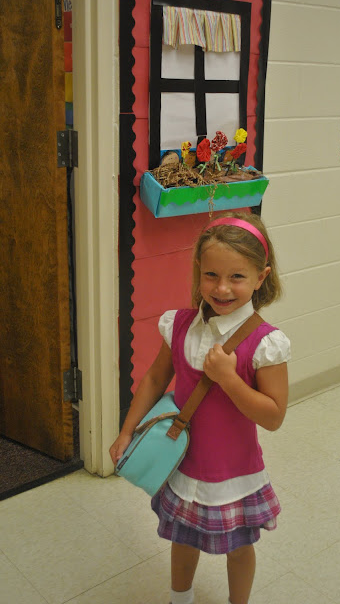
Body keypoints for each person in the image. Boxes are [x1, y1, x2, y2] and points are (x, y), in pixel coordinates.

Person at [110, 212, 290, 604]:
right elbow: (154, 380)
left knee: (239, 549)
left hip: (235, 473)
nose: (222, 288)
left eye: (237, 277)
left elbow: (274, 416)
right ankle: (181, 599)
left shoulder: (266, 343)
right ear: (198, 271)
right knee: (183, 538)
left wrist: (229, 378)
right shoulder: (178, 325)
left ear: (261, 277)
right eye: (211, 275)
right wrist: (126, 432)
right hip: (184, 464)